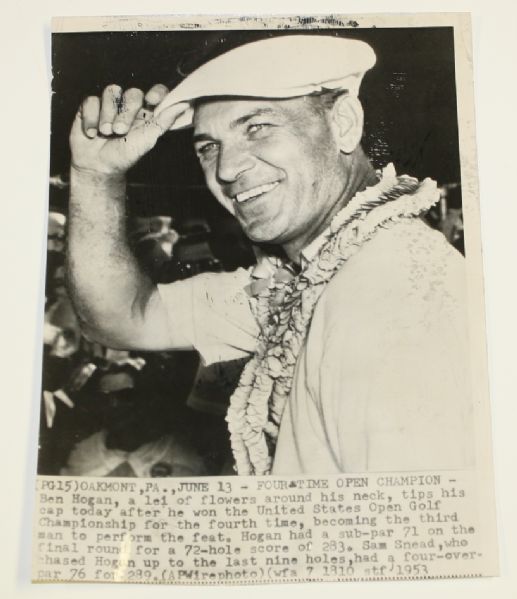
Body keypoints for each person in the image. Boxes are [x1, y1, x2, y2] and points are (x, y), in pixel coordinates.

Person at [67, 35, 473, 475]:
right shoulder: (311, 278)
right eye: (208, 147)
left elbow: (413, 534)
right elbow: (125, 317)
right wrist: (95, 176)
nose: (225, 169)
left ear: (344, 123)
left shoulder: (395, 299)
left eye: (257, 127)